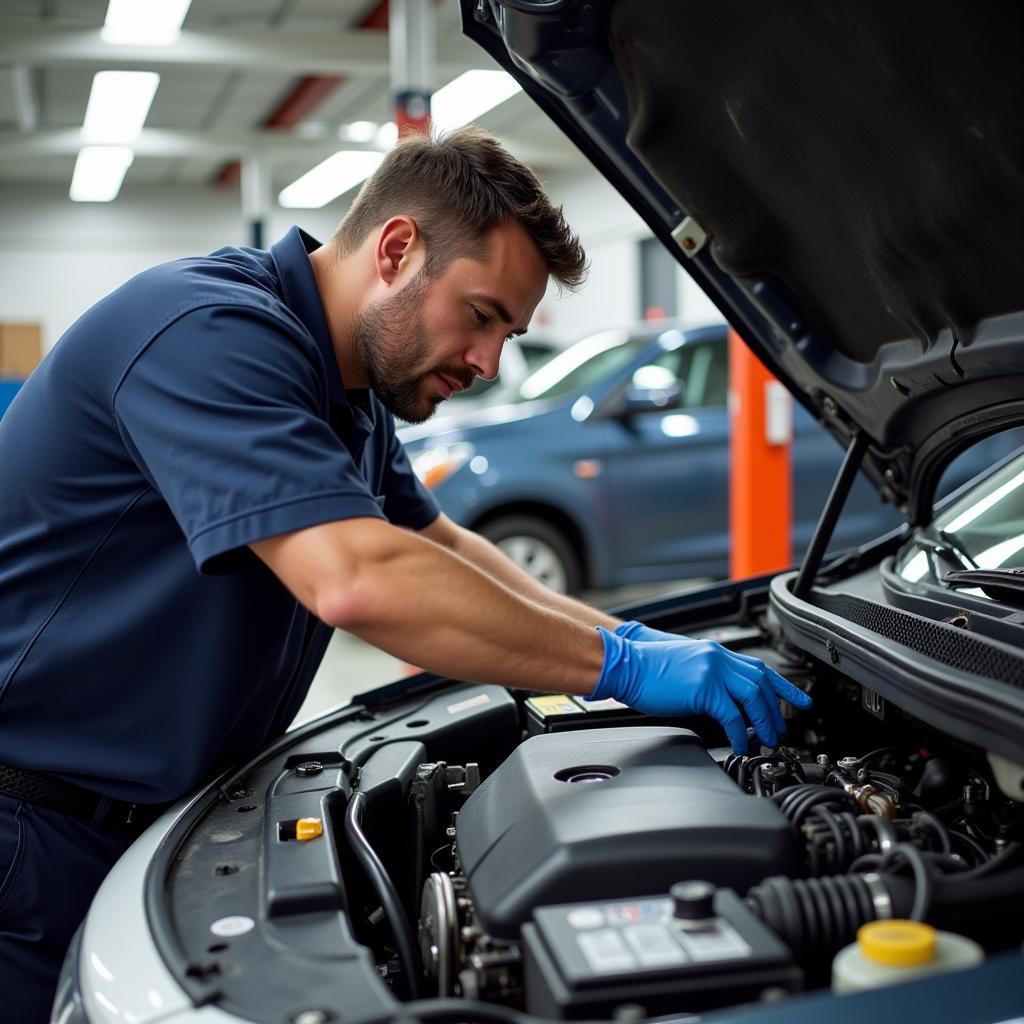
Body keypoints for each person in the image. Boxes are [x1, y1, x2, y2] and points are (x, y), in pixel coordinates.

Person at [0, 126, 811, 1020]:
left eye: (510, 331)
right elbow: (358, 578)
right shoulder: (208, 331)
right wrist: (617, 668)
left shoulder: (347, 392)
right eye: (482, 315)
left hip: (132, 826)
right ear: (396, 250)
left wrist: (620, 635)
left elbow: (441, 547)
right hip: (30, 838)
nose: (489, 362)